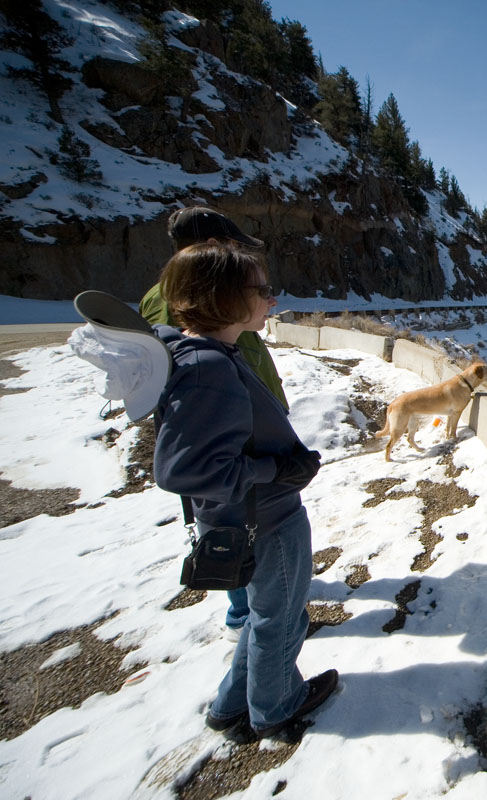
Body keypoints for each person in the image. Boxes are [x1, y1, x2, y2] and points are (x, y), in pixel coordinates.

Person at [152, 242, 336, 740]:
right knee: (281, 620)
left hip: (255, 517)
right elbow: (183, 470)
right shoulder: (206, 369)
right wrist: (276, 471)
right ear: (225, 296)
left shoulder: (207, 355)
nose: (271, 301)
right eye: (262, 290)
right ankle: (276, 707)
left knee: (264, 616)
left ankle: (232, 705)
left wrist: (277, 466)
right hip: (265, 521)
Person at [141, 206, 288, 639]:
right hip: (230, 428)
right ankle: (248, 618)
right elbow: (193, 379)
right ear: (210, 246)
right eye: (231, 247)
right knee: (237, 522)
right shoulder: (191, 302)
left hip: (241, 418)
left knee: (240, 523)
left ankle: (255, 610)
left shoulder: (182, 291)